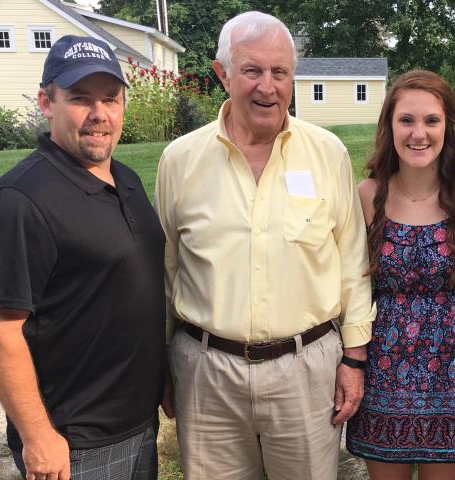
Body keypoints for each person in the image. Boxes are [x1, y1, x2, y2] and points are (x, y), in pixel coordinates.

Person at [154, 11, 375, 480]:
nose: (267, 87)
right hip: (206, 372)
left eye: (281, 73)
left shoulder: (327, 153)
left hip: (305, 370)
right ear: (223, 73)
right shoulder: (180, 161)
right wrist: (161, 359)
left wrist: (354, 358)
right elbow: (165, 267)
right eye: (252, 70)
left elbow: (353, 260)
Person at [0, 35, 165, 480]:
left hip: (137, 422)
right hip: (73, 442)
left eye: (111, 100)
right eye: (80, 99)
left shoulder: (127, 179)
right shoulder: (20, 200)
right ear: (46, 101)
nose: (100, 115)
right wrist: (38, 436)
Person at [345, 70, 455, 479]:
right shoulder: (366, 194)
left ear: (448, 125)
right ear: (389, 127)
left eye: (431, 120)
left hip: (453, 366)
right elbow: (351, 282)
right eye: (406, 120)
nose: (419, 133)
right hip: (383, 366)